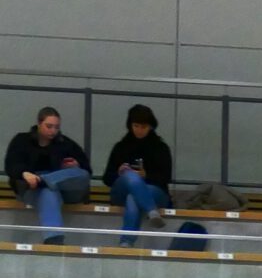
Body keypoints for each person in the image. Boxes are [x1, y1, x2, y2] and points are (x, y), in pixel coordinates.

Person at [7, 106, 92, 245]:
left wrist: (76, 165)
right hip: (30, 187)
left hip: (62, 185)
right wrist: (24, 173)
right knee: (49, 192)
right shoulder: (22, 140)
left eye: (56, 127)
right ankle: (54, 240)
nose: (53, 131)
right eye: (49, 126)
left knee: (82, 174)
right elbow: (11, 165)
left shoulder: (65, 143)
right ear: (39, 123)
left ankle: (44, 180)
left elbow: (86, 171)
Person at [101, 104, 172, 245]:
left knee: (133, 197)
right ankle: (152, 211)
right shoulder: (120, 147)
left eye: (143, 127)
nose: (139, 130)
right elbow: (107, 178)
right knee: (130, 176)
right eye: (136, 126)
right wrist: (120, 173)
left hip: (154, 191)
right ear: (130, 125)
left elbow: (166, 177)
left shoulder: (161, 148)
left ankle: (126, 243)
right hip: (122, 190)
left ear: (151, 126)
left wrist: (146, 176)